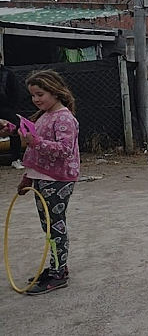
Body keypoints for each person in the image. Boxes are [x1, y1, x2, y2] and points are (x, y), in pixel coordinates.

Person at [16, 70, 79, 295]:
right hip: (43, 178)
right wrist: (27, 177)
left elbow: (64, 150)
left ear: (55, 91)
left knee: (55, 226)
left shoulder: (63, 117)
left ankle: (58, 273)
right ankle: (56, 267)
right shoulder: (43, 116)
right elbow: (37, 151)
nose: (36, 99)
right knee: (48, 226)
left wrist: (35, 142)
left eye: (40, 94)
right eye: (33, 95)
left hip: (58, 179)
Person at [0, 52, 23, 169]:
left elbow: (15, 93)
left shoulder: (8, 74)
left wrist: (12, 108)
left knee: (14, 131)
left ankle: (16, 159)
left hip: (6, 108)